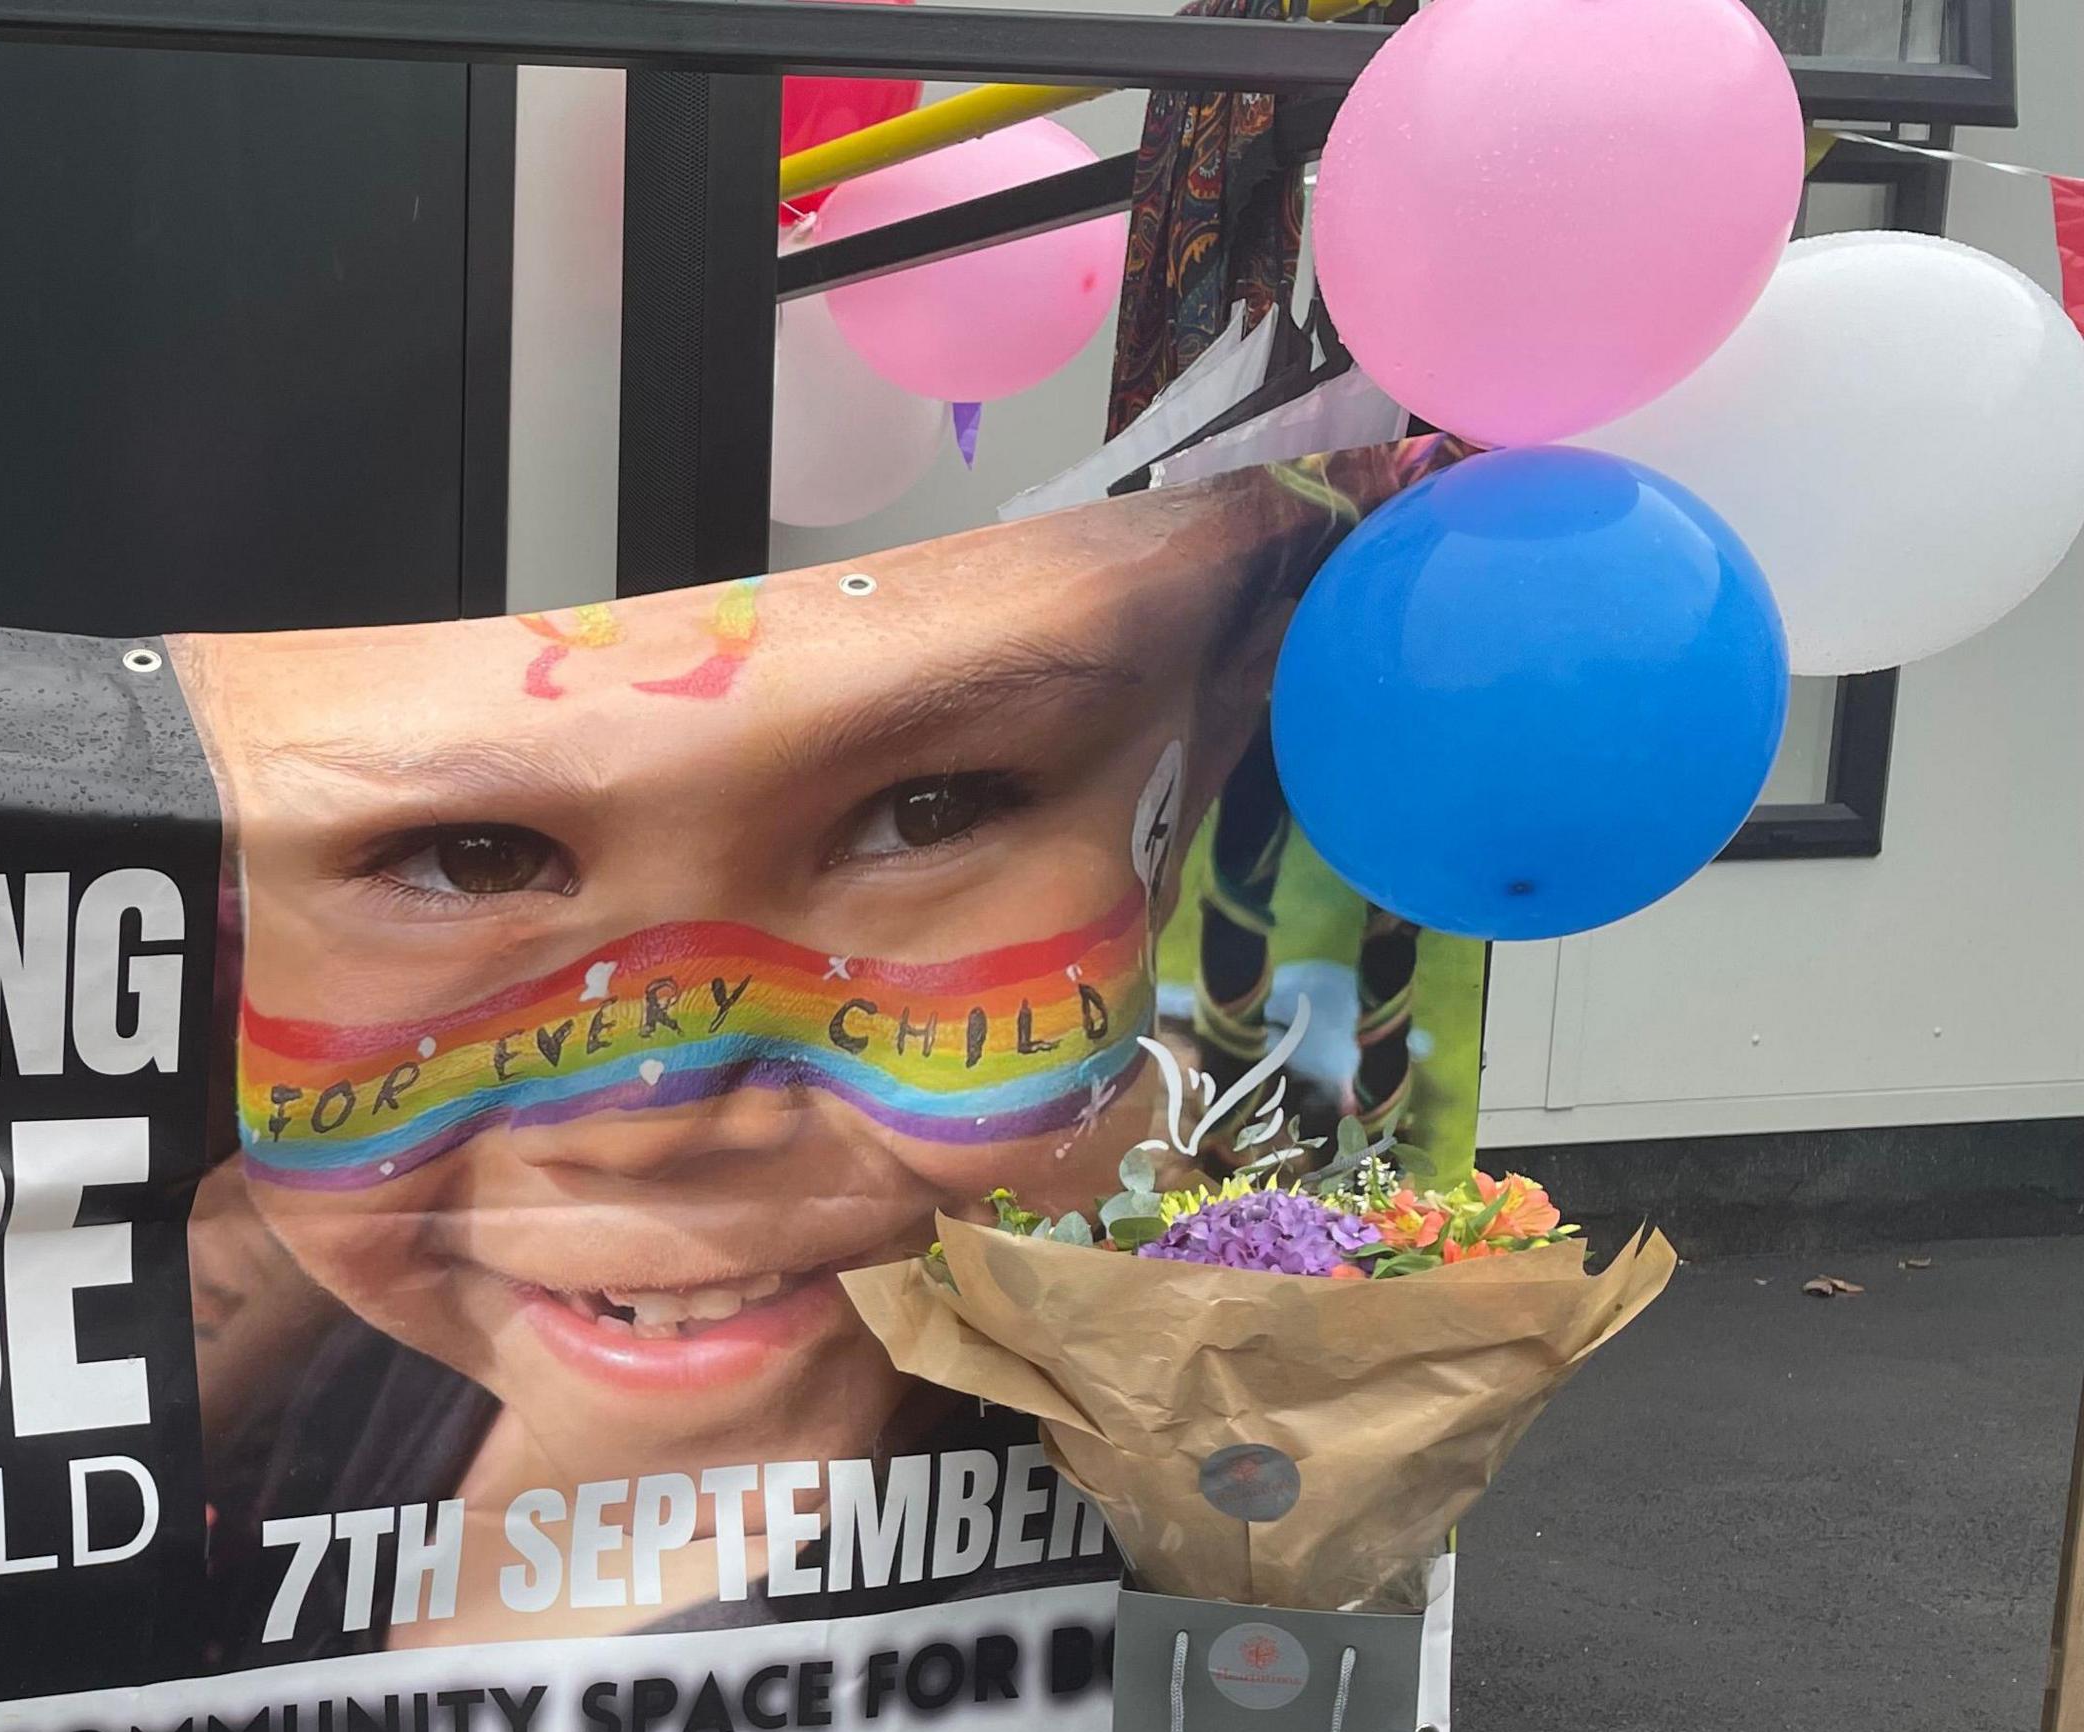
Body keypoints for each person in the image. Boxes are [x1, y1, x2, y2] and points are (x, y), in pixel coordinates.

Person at [168, 447, 1433, 1659]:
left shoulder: (1196, 1526)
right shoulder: (332, 1355)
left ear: (1199, 766)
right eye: (469, 856)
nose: (646, 1123)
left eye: (926, 815)